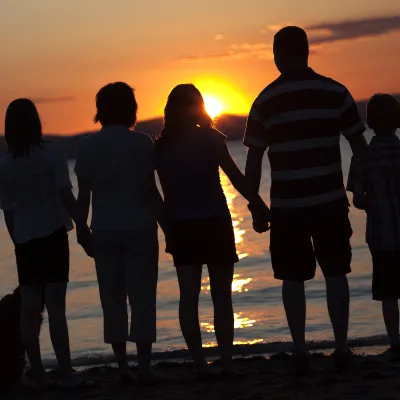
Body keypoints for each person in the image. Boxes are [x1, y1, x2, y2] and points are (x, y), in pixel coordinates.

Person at [244, 26, 368, 374]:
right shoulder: (335, 92)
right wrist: (358, 188)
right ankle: (341, 347)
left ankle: (300, 351)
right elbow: (360, 148)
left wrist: (255, 205)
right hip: (329, 200)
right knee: (337, 273)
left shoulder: (264, 101)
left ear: (277, 55)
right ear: (307, 51)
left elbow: (253, 161)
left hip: (287, 206)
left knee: (292, 278)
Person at [155, 84, 269, 378]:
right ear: (199, 107)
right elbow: (236, 179)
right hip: (215, 222)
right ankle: (227, 361)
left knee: (188, 297)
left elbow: (162, 194)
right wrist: (257, 204)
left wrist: (167, 227)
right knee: (221, 297)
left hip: (182, 226)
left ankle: (199, 363)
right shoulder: (211, 139)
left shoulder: (160, 147)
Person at [75, 82, 166, 384]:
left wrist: (81, 229)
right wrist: (170, 229)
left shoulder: (87, 147)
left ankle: (123, 367)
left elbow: (83, 196)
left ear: (100, 110)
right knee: (142, 298)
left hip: (104, 229)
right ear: (131, 108)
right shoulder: (141, 144)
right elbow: (150, 191)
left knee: (111, 299)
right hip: (139, 228)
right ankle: (143, 366)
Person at [0, 99, 92, 390]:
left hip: (25, 240)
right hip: (52, 235)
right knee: (56, 309)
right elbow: (65, 194)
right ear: (36, 122)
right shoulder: (51, 152)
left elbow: (8, 210)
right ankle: (65, 373)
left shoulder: (5, 164)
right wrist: (84, 226)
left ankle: (38, 375)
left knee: (29, 310)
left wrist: (17, 241)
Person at [347, 94, 400, 361]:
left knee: (389, 294)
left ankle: (395, 343)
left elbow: (357, 199)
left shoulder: (363, 157)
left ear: (369, 123)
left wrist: (372, 202)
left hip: (381, 236)